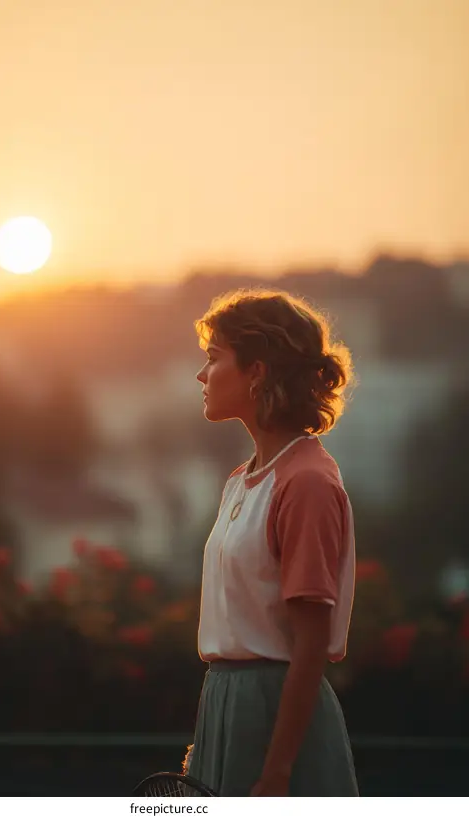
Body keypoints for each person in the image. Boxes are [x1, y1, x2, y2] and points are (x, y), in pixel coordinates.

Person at [184, 287, 359, 797]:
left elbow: (309, 645)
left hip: (272, 717)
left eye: (214, 358)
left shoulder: (304, 481)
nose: (202, 374)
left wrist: (278, 770)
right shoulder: (243, 478)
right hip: (228, 708)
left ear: (257, 370)